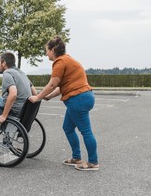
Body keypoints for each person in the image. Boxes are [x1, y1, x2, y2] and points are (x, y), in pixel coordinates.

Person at [29, 36, 99, 171]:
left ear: (53, 49)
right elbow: (63, 86)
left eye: (47, 51)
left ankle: (93, 162)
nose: (46, 54)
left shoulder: (59, 62)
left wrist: (37, 97)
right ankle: (76, 157)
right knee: (68, 127)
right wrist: (48, 96)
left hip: (78, 99)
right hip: (81, 97)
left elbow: (53, 84)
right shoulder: (68, 60)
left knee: (86, 131)